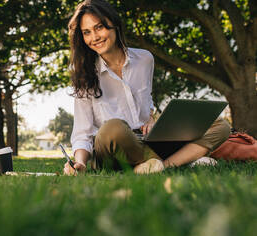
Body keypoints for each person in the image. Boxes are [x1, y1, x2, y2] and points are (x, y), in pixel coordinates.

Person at [63, 0, 230, 175]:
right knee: (113, 128)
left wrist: (150, 118)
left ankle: (159, 165)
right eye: (86, 32)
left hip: (145, 141)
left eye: (99, 27)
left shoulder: (144, 59)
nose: (94, 37)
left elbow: (145, 99)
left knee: (220, 125)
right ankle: (180, 161)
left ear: (115, 24)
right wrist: (80, 162)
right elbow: (82, 130)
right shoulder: (82, 72)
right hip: (110, 147)